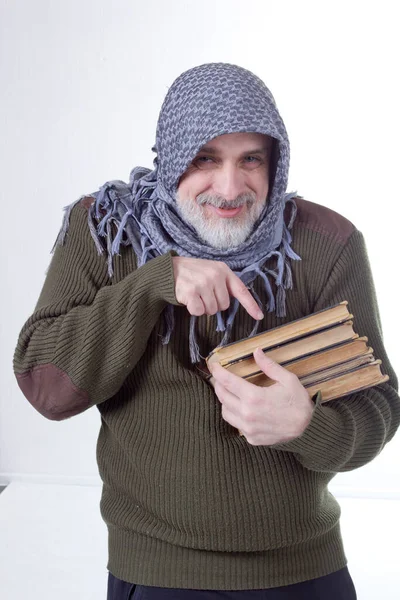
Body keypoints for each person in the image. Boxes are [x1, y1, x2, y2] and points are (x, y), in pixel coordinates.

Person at [13, 63, 399, 599]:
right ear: (171, 159)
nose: (230, 186)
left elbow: (379, 407)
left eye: (251, 160)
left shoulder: (325, 242)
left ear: (276, 163)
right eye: (205, 159)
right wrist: (152, 283)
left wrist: (305, 425)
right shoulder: (105, 230)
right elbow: (46, 388)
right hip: (158, 571)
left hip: (303, 569)